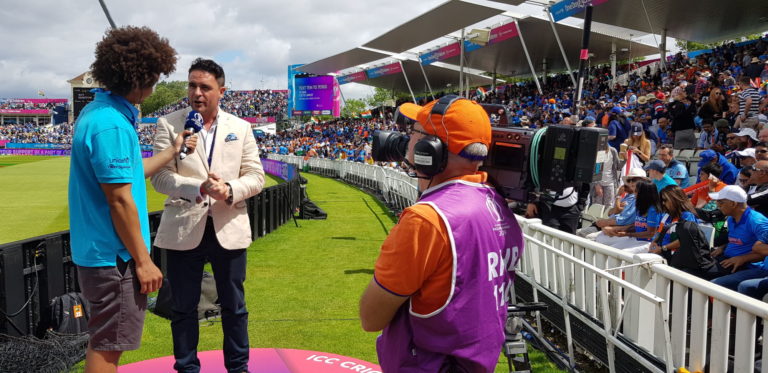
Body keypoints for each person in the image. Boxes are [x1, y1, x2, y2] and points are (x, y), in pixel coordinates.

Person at [359, 96, 524, 372]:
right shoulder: (495, 201)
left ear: (429, 149)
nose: (405, 140)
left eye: (413, 133)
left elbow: (371, 317)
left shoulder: (426, 220)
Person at [68, 26, 195, 373]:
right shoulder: (110, 125)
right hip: (115, 258)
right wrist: (143, 261)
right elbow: (120, 200)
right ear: (140, 79)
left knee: (106, 341)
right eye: (154, 79)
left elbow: (133, 173)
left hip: (103, 253)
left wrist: (172, 150)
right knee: (108, 346)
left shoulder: (98, 115)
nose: (155, 87)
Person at [151, 58, 265, 373]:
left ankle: (238, 368)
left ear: (221, 90)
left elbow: (256, 177)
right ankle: (187, 368)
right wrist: (196, 187)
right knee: (183, 308)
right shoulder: (169, 124)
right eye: (192, 85)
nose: (197, 93)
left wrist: (228, 189)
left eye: (205, 87)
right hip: (183, 229)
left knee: (234, 308)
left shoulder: (240, 128)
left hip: (229, 226)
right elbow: (159, 178)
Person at [709, 186, 768, 298]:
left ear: (733, 204)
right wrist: (723, 247)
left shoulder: (757, 221)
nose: (717, 205)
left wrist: (743, 258)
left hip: (750, 266)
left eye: (721, 202)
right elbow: (739, 240)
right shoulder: (731, 218)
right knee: (693, 270)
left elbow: (762, 250)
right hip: (727, 260)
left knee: (713, 285)